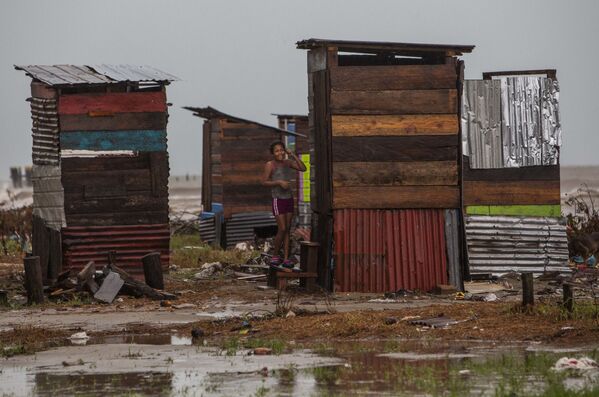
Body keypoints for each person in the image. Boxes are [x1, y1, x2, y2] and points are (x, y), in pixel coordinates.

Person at [262, 141, 306, 267]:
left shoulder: (288, 163)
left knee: (287, 229)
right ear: (273, 153)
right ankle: (275, 255)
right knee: (282, 228)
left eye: (281, 150)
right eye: (277, 151)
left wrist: (293, 155)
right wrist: (279, 182)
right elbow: (264, 182)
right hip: (278, 199)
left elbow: (303, 168)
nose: (280, 152)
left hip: (289, 198)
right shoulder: (270, 165)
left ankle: (286, 258)